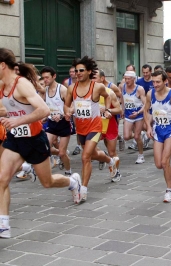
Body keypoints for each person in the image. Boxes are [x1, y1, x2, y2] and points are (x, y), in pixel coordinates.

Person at [0, 48, 82, 238]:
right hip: (15, 139)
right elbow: (7, 110)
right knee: (2, 179)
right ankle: (3, 224)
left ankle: (72, 182)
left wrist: (16, 121)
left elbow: (44, 110)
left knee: (47, 182)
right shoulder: (2, 85)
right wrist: (9, 117)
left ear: (3, 65)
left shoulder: (22, 85)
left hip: (35, 139)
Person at [63, 56, 119, 202]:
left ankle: (83, 190)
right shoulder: (71, 88)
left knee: (85, 157)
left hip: (95, 127)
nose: (78, 73)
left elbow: (107, 97)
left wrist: (105, 109)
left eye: (81, 70)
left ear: (88, 71)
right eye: (76, 71)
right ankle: (110, 161)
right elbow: (67, 105)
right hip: (81, 128)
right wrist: (67, 111)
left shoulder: (97, 87)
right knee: (93, 154)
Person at [143, 70, 171, 202]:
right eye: (153, 82)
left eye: (158, 82)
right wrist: (149, 127)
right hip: (158, 130)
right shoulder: (150, 94)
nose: (155, 84)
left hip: (170, 130)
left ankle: (169, 191)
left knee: (164, 162)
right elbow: (146, 110)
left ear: (165, 81)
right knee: (158, 164)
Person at [40, 66, 73, 176]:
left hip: (64, 123)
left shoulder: (62, 89)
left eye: (47, 77)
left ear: (54, 76)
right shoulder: (45, 90)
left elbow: (72, 107)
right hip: (52, 123)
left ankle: (68, 172)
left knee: (62, 153)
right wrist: (45, 116)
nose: (45, 80)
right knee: (45, 147)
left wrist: (62, 115)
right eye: (43, 78)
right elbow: (45, 106)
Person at [92, 70, 122, 182]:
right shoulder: (88, 92)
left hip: (109, 124)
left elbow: (119, 109)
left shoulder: (110, 92)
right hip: (94, 125)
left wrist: (108, 110)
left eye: (94, 77)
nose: (92, 80)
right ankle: (103, 156)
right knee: (90, 150)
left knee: (112, 151)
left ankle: (116, 172)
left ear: (102, 79)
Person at [122, 71, 147, 164]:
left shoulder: (139, 89)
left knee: (137, 136)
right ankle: (142, 135)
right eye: (125, 79)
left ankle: (141, 155)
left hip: (138, 114)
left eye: (129, 79)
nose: (127, 81)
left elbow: (146, 104)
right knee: (126, 136)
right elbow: (122, 98)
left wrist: (138, 112)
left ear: (134, 79)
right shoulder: (123, 87)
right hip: (128, 114)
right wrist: (122, 109)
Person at [129, 64, 153, 150]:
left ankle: (152, 138)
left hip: (154, 107)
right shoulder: (139, 82)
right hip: (144, 107)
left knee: (147, 125)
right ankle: (147, 137)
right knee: (144, 126)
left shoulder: (154, 81)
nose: (145, 74)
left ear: (151, 72)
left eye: (147, 72)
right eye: (144, 73)